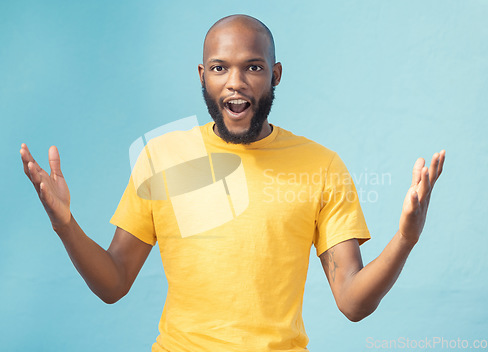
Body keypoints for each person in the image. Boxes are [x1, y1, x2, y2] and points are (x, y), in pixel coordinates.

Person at [20, 14, 445, 352]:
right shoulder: (162, 157)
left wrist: (406, 238)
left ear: (275, 75)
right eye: (220, 68)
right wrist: (65, 225)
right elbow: (113, 283)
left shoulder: (321, 165)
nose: (235, 82)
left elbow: (353, 302)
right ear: (202, 75)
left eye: (253, 67)